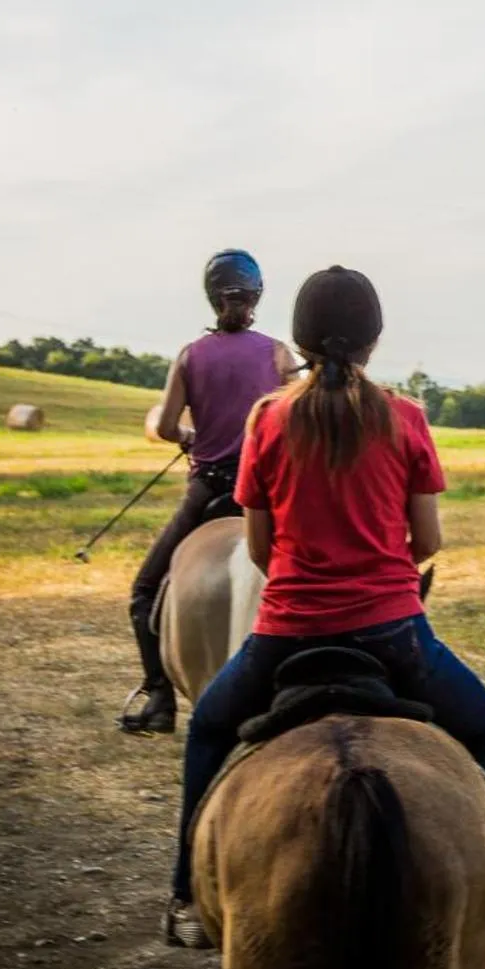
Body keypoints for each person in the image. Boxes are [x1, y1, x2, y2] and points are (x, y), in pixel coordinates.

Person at [163, 265, 485, 950]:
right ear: (374, 342)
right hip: (395, 636)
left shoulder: (268, 417)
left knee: (208, 731)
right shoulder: (404, 416)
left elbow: (259, 546)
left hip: (285, 636)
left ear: (301, 341)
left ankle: (186, 902)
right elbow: (427, 541)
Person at [119, 248, 297, 735]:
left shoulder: (190, 356)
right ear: (257, 295)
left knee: (144, 592)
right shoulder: (281, 355)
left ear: (211, 296)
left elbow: (169, 426)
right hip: (267, 494)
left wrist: (191, 438)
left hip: (210, 490)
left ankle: (159, 698)